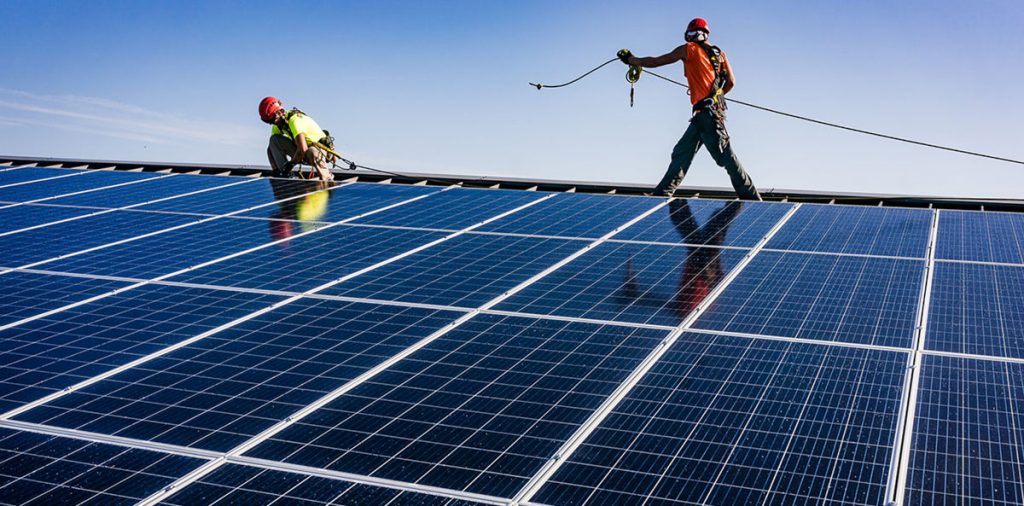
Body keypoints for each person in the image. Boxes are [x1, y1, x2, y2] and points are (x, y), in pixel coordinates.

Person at [619, 18, 761, 200]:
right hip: (704, 115)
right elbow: (731, 82)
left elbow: (656, 61)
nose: (691, 38)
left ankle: (752, 198)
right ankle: (662, 194)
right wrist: (717, 96)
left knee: (725, 157)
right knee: (681, 152)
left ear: (696, 35)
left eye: (692, 35)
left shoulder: (689, 49)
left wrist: (631, 59)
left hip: (708, 116)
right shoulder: (720, 55)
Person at [258, 96, 335, 181]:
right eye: (268, 121)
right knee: (274, 140)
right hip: (303, 153)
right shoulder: (278, 125)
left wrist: (291, 164)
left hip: (320, 151)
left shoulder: (295, 120)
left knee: (312, 151)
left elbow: (303, 149)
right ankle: (285, 176)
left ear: (280, 112)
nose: (271, 123)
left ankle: (327, 179)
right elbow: (270, 149)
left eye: (272, 119)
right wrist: (276, 169)